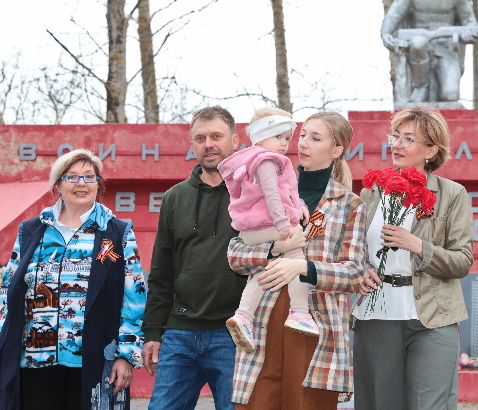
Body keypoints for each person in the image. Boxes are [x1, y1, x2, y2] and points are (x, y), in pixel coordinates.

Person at [0, 149, 145, 410]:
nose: (81, 183)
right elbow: (9, 293)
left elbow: (134, 298)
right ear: (58, 185)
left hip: (95, 360)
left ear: (98, 184)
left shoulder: (117, 233)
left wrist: (126, 356)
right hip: (34, 360)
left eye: (89, 177)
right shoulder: (32, 231)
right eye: (72, 177)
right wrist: (0, 350)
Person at [227, 112, 366, 409]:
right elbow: (234, 255)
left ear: (337, 149)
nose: (303, 143)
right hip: (262, 320)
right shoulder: (268, 185)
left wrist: (303, 267)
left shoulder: (350, 204)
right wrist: (274, 249)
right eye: (302, 135)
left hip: (317, 328)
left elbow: (354, 273)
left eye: (315, 138)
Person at [352, 106, 474, 410]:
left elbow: (462, 261)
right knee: (382, 403)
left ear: (431, 149)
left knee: (429, 404)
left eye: (408, 139)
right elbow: (354, 250)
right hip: (377, 316)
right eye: (396, 136)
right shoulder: (372, 193)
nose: (397, 144)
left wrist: (418, 245)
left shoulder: (452, 193)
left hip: (432, 317)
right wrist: (362, 269)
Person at [142, 106, 248, 410]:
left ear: (235, 141)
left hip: (234, 334)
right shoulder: (174, 198)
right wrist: (153, 332)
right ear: (193, 145)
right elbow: (162, 272)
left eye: (217, 136)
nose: (208, 144)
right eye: (200, 138)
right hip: (180, 334)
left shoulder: (251, 193)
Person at [219, 107, 317, 354]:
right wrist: (284, 224)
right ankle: (300, 312)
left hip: (253, 229)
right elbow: (272, 196)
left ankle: (243, 316)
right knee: (297, 258)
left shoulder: (250, 160)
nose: (284, 144)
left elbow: (282, 194)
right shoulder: (266, 161)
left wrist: (300, 205)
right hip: (270, 225)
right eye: (278, 137)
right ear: (261, 136)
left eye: (287, 138)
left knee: (268, 269)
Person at [381, 0, 478, 104]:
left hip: (447, 48)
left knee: (450, 95)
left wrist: (468, 34)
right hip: (419, 46)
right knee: (418, 43)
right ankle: (421, 86)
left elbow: (469, 22)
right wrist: (386, 34)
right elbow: (393, 16)